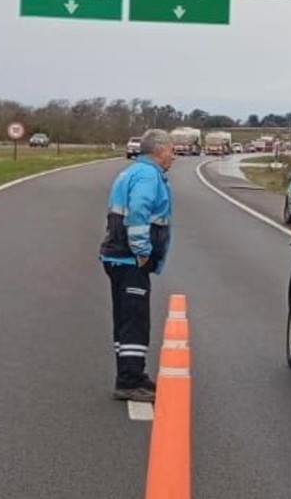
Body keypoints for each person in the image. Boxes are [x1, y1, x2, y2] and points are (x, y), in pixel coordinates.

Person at [98, 128, 175, 402]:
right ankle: (129, 381)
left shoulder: (132, 171)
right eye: (171, 149)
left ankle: (131, 373)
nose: (173, 156)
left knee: (124, 318)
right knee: (135, 320)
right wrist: (142, 250)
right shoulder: (147, 175)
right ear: (159, 149)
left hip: (117, 257)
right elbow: (139, 210)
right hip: (129, 258)